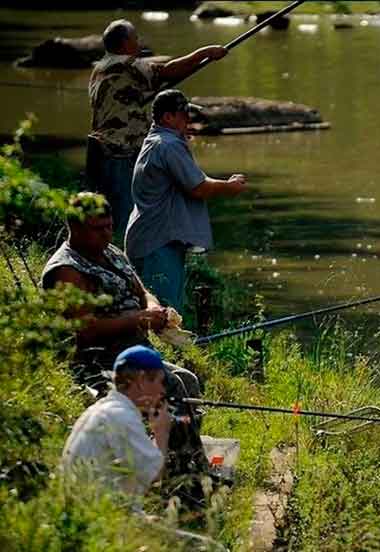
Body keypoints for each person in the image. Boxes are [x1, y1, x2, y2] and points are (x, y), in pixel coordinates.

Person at [41, 193, 208, 490]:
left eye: (109, 226)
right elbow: (86, 330)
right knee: (172, 385)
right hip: (98, 360)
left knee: (189, 380)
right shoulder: (66, 270)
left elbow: (141, 291)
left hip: (135, 351)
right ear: (76, 229)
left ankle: (189, 465)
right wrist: (138, 319)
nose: (107, 234)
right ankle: (182, 482)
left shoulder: (111, 252)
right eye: (98, 228)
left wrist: (154, 309)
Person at [87, 18, 228, 235]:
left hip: (99, 149)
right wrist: (206, 53)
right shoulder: (128, 65)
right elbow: (169, 71)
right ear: (124, 43)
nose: (138, 41)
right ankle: (131, 260)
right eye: (135, 38)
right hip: (120, 152)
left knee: (103, 212)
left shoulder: (100, 68)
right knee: (125, 216)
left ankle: (108, 254)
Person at [125, 88, 246, 314]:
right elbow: (198, 188)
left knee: (155, 312)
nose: (188, 120)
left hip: (152, 239)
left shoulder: (158, 140)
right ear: (167, 118)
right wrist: (228, 187)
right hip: (157, 244)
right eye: (183, 115)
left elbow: (194, 181)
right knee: (164, 316)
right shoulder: (169, 145)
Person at [61, 345, 170, 499]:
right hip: (98, 516)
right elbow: (153, 478)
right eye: (159, 382)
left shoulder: (99, 410)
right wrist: (161, 432)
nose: (162, 390)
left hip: (83, 510)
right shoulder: (122, 417)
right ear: (141, 380)